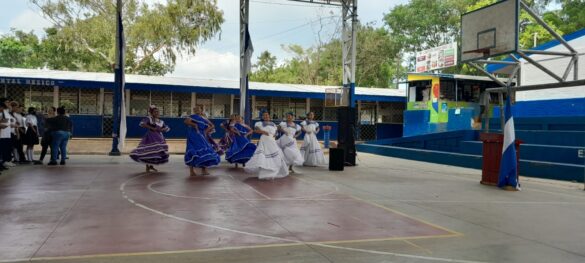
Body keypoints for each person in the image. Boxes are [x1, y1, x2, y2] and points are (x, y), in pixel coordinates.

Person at [245, 111, 289, 180]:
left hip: (271, 140)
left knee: (274, 155)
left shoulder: (273, 124)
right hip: (264, 140)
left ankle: (273, 170)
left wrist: (273, 135)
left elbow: (275, 133)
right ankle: (263, 172)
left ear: (269, 116)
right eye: (264, 115)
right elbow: (255, 130)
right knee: (263, 155)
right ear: (262, 117)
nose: (266, 116)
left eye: (267, 115)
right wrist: (263, 132)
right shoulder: (259, 123)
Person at [130, 105, 170, 172]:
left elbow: (166, 128)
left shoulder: (161, 121)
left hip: (159, 138)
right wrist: (152, 128)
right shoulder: (149, 119)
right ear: (151, 113)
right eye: (155, 112)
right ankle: (148, 166)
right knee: (149, 151)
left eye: (157, 112)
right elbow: (142, 124)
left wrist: (162, 129)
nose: (157, 113)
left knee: (155, 153)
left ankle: (151, 166)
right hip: (151, 137)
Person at [184, 106, 220, 176]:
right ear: (194, 110)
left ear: (201, 110)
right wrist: (194, 124)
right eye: (195, 109)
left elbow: (212, 125)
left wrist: (206, 131)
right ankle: (191, 171)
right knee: (193, 150)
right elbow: (186, 121)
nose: (197, 110)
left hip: (201, 135)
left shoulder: (204, 118)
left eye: (198, 109)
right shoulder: (193, 116)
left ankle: (204, 169)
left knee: (205, 150)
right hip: (193, 134)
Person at [0, 98, 15, 172]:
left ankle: (5, 162)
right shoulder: (2, 111)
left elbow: (7, 121)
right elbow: (2, 121)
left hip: (7, 133)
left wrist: (11, 124)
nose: (9, 103)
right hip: (2, 134)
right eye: (7, 102)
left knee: (7, 149)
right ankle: (3, 162)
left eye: (9, 102)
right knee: (2, 150)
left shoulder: (6, 111)